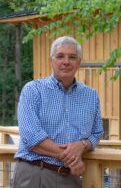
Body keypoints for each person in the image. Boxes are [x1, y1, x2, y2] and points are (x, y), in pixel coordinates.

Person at [12, 36, 104, 188]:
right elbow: (31, 137)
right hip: (34, 174)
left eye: (72, 57)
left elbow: (97, 133)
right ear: (51, 61)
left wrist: (82, 145)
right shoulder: (33, 90)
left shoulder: (91, 95)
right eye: (60, 56)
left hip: (69, 178)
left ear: (79, 62)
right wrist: (72, 158)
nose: (66, 61)